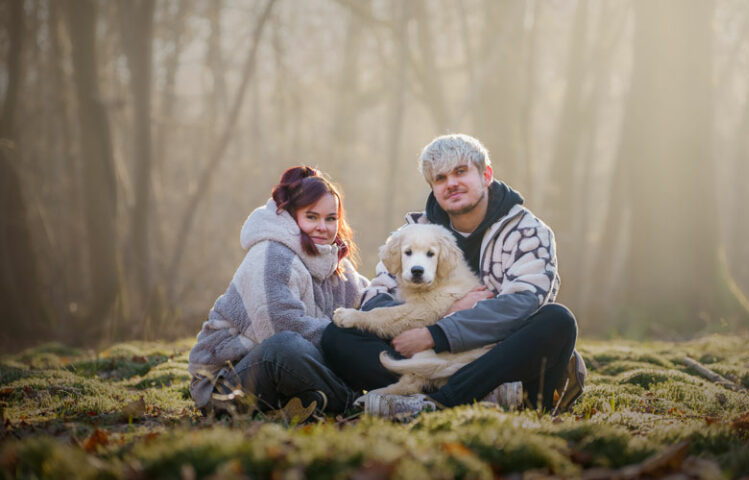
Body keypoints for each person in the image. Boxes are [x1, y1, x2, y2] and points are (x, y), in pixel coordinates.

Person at [322, 134, 585, 416]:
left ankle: (441, 401)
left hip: (495, 356)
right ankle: (480, 396)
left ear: (486, 175)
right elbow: (377, 295)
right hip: (423, 353)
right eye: (440, 178)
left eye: (461, 172)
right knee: (338, 336)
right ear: (433, 188)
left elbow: (522, 303)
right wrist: (440, 315)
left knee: (557, 321)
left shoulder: (528, 231)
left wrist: (439, 333)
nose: (451, 184)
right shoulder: (414, 232)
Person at [188, 166, 368, 418]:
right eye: (311, 217)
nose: (323, 227)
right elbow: (279, 326)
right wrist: (349, 339)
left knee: (373, 325)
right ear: (291, 216)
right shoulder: (271, 254)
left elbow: (367, 298)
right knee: (285, 346)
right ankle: (356, 402)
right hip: (225, 382)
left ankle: (393, 392)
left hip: (288, 376)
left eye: (330, 219)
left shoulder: (335, 263)